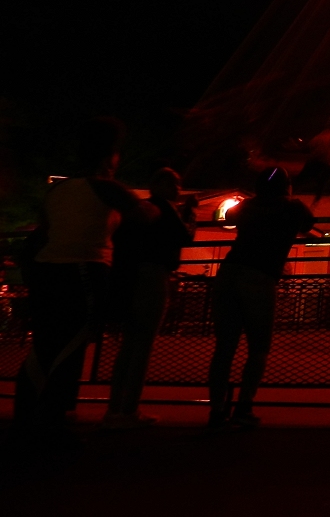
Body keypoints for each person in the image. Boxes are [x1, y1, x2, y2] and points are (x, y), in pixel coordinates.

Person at [14, 118, 158, 435]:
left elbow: (46, 229)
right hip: (83, 269)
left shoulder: (59, 190)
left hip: (46, 269)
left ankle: (29, 411)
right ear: (109, 157)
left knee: (46, 343)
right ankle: (50, 417)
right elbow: (149, 216)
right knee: (74, 339)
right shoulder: (107, 188)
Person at [206, 166, 314, 429]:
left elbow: (225, 217)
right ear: (286, 187)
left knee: (225, 347)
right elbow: (309, 225)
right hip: (260, 276)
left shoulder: (246, 207)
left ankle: (217, 410)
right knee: (259, 347)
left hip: (229, 272)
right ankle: (244, 407)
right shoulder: (293, 207)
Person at [101, 167, 196, 428]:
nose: (178, 190)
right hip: (153, 276)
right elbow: (184, 237)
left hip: (128, 277)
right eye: (175, 185)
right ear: (162, 186)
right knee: (143, 344)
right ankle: (129, 410)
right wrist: (189, 214)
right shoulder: (165, 209)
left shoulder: (135, 211)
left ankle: (114, 409)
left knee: (128, 345)